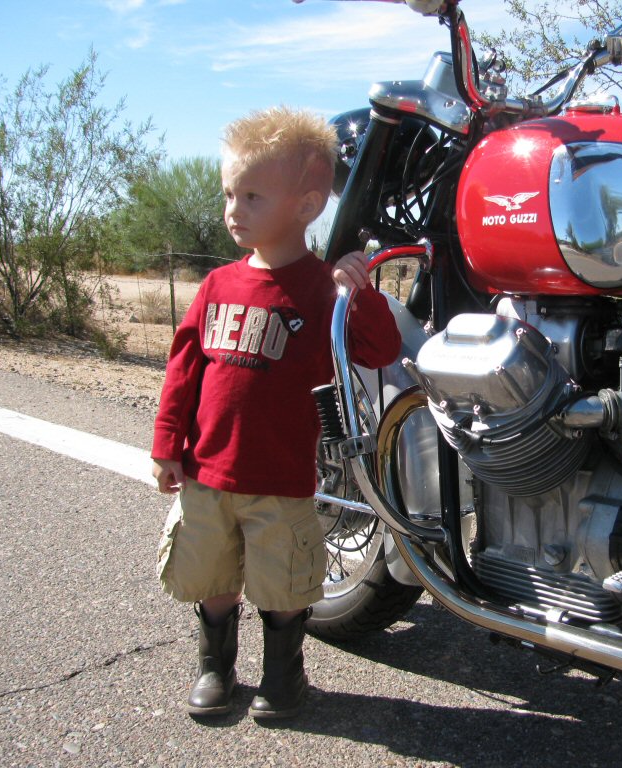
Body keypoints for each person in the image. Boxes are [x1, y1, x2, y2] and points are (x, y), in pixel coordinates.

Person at [151, 106, 401, 720]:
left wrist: (358, 294)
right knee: (211, 577)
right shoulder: (217, 286)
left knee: (284, 586)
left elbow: (380, 350)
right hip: (207, 473)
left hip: (282, 479)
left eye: (252, 195)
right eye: (229, 194)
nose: (233, 209)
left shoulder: (321, 288)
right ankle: (215, 668)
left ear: (308, 205)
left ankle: (282, 678)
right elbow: (185, 368)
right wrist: (166, 445)